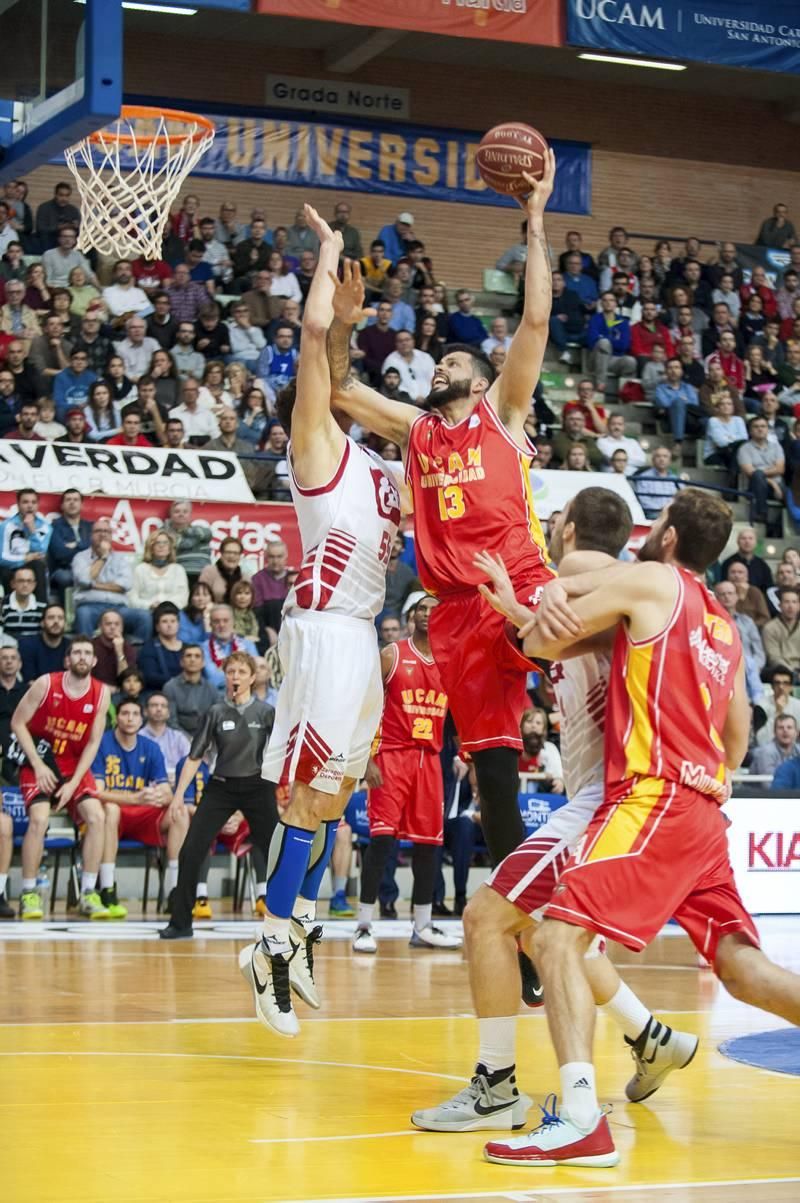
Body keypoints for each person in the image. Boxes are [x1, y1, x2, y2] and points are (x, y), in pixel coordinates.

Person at [476, 487, 800, 1168]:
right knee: (744, 969)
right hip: (705, 811)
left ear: (671, 539)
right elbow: (736, 742)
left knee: (553, 937)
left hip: (653, 795)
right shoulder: (720, 626)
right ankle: (616, 1071)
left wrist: (533, 614)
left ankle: (581, 1118)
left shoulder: (654, 578)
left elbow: (543, 637)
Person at [328, 160, 556, 1003]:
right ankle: (530, 931)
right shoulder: (419, 432)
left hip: (521, 584)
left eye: (455, 358)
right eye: (442, 361)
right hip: (455, 616)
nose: (442, 365)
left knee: (593, 671)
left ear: (475, 374)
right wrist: (341, 325)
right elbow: (339, 389)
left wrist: (533, 218)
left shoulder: (502, 409)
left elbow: (534, 315)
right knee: (495, 773)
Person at [412, 489, 696, 1136]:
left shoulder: (573, 579)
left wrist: (512, 599)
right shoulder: (620, 590)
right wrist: (513, 601)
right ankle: (650, 1036)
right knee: (551, 933)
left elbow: (545, 630)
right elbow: (550, 638)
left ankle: (498, 1084)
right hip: (605, 793)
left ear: (566, 529)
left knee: (488, 916)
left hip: (602, 798)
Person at [239, 204, 401, 1038]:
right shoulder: (316, 452)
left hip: (364, 638)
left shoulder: (381, 470)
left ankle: (299, 930)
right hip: (324, 631)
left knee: (338, 795)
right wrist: (329, 261)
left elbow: (338, 371)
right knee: (304, 796)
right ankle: (267, 941)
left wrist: (347, 328)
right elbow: (317, 359)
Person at [353, 596, 461, 954]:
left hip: (430, 760)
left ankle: (423, 925)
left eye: (435, 609)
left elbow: (458, 715)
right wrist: (366, 758)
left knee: (430, 844)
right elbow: (365, 705)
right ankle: (364, 926)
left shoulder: (448, 661)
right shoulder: (392, 655)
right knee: (382, 840)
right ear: (411, 617)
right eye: (422, 609)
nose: (429, 614)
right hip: (391, 756)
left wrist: (464, 751)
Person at [161, 652, 276, 939]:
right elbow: (195, 756)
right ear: (225, 676)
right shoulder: (214, 712)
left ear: (252, 677)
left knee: (277, 852)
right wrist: (177, 796)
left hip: (258, 787)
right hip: (221, 787)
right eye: (230, 671)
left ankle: (285, 920)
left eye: (241, 672)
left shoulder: (266, 713)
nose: (235, 676)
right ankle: (180, 923)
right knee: (191, 850)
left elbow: (279, 757)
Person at [12, 638, 112, 920]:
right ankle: (29, 893)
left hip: (74, 767)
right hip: (41, 762)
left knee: (97, 817)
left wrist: (73, 783)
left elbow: (93, 744)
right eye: (77, 652)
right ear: (67, 660)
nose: (82, 657)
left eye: (87, 653)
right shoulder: (46, 684)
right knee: (39, 819)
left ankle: (89, 893)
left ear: (94, 661)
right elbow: (17, 723)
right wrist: (37, 764)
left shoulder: (101, 694)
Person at [92, 698, 188, 918]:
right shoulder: (102, 744)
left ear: (141, 718)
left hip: (142, 813)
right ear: (117, 718)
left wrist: (159, 796)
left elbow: (165, 790)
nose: (130, 718)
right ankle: (107, 889)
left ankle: (175, 891)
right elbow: (97, 792)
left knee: (179, 812)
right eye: (125, 713)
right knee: (110, 809)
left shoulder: (151, 748)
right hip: (114, 814)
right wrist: (136, 798)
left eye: (135, 714)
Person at [72, 519, 151, 642]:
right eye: (98, 531)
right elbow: (84, 579)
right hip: (91, 606)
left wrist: (93, 585)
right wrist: (103, 557)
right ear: (91, 535)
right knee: (83, 614)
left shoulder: (121, 559)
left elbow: (125, 584)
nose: (103, 534)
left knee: (144, 616)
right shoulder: (80, 557)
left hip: (119, 607)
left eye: (106, 531)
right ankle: (85, 654)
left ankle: (136, 655)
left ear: (111, 536)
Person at [0, 487, 51, 601]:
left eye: (33, 502)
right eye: (25, 502)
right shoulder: (6, 526)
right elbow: (2, 558)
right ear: (18, 505)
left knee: (38, 565)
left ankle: (41, 609)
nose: (29, 506)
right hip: (11, 566)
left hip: (33, 566)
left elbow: (40, 553)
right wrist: (24, 559)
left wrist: (32, 530)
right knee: (5, 571)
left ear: (37, 505)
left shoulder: (45, 527)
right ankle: (10, 610)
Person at [163, 643, 218, 738]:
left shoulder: (211, 688)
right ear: (181, 662)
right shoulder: (170, 687)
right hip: (179, 740)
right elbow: (171, 722)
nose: (192, 659)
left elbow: (217, 719)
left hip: (207, 740)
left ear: (203, 662)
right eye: (188, 656)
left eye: (197, 656)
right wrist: (189, 740)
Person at [129, 530, 189, 615]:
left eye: (165, 543)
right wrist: (149, 605)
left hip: (173, 612)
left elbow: (183, 597)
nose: (161, 545)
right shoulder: (140, 569)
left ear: (170, 548)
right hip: (147, 612)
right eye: (157, 543)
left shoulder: (178, 569)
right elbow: (132, 598)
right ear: (151, 548)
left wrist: (165, 607)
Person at [202, 604, 257, 692]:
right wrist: (242, 674)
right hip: (216, 698)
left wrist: (221, 670)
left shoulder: (248, 645)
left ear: (233, 622)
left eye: (226, 620)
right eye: (216, 621)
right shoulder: (203, 648)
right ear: (210, 624)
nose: (222, 625)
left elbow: (254, 674)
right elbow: (213, 679)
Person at [141, 692, 190, 783]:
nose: (159, 709)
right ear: (145, 711)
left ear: (168, 713)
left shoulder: (178, 737)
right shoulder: (138, 737)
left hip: (177, 785)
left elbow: (190, 763)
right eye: (154, 705)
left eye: (163, 706)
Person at [137, 603, 185, 691]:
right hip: (158, 694)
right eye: (164, 621)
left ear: (178, 624)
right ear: (157, 627)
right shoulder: (149, 648)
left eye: (173, 621)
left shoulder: (187, 648)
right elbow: (149, 676)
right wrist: (181, 681)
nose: (169, 625)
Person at [19, 604, 68, 684]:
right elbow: (29, 682)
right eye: (51, 617)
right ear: (42, 623)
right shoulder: (28, 645)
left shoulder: (71, 647)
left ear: (65, 624)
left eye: (60, 618)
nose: (56, 621)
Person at [198, 536, 250, 604]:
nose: (232, 556)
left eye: (235, 553)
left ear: (240, 556)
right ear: (221, 554)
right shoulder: (209, 571)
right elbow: (201, 597)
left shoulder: (245, 577)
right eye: (228, 552)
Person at [761, 586, 800, 675]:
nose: (790, 606)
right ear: (780, 606)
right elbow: (774, 658)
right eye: (786, 602)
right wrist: (793, 673)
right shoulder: (770, 628)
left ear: (798, 606)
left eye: (794, 602)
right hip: (780, 671)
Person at [0, 566, 46, 641]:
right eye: (21, 581)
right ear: (13, 584)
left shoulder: (42, 606)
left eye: (29, 581)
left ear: (34, 584)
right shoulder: (3, 605)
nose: (25, 585)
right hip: (9, 649)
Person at [749, 714, 799, 779]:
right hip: (759, 789)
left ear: (797, 732)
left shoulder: (798, 750)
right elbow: (769, 785)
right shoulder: (766, 752)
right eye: (781, 728)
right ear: (774, 732)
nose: (785, 731)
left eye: (789, 727)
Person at [251, 540, 290, 606]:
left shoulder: (293, 579)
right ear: (266, 557)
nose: (275, 561)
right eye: (272, 557)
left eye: (279, 556)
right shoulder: (257, 579)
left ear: (286, 556)